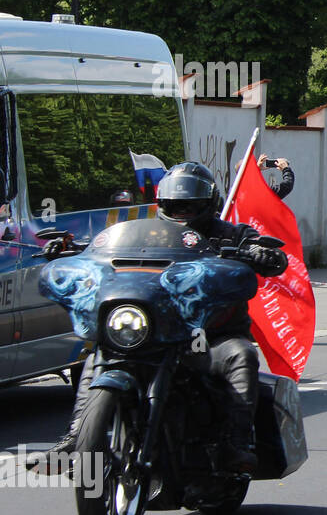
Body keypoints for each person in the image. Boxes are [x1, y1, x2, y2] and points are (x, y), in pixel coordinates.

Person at [27, 162, 288, 475]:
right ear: (161, 204)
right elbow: (106, 249)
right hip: (155, 329)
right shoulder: (149, 232)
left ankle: (237, 443)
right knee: (97, 351)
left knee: (240, 354)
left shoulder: (231, 234)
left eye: (190, 205)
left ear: (209, 204)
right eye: (174, 205)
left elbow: (273, 257)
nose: (181, 211)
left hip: (209, 338)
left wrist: (262, 253)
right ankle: (76, 437)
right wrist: (71, 249)